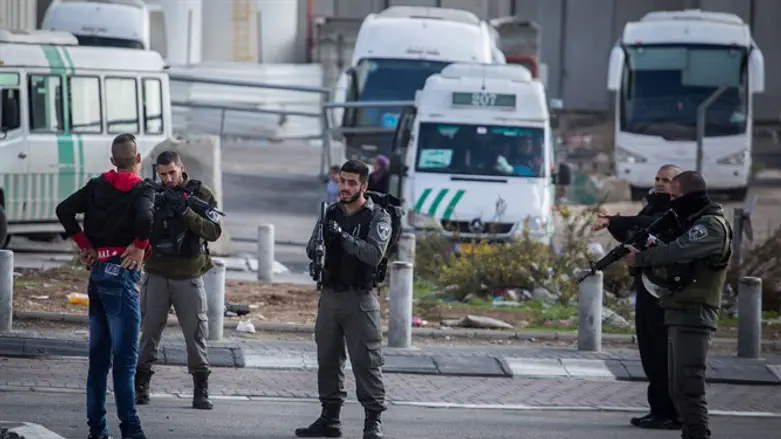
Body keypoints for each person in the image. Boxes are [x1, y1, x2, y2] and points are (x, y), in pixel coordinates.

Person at [56, 133, 153, 439]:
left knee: (98, 363)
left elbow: (63, 210)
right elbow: (146, 218)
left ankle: (97, 430)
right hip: (122, 276)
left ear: (113, 160)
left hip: (98, 275)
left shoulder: (97, 185)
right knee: (124, 364)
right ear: (138, 159)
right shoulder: (143, 189)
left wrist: (85, 245)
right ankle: (131, 431)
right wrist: (140, 246)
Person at [624, 171, 732, 439]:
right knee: (677, 388)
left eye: (675, 197)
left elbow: (678, 251)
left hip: (695, 314)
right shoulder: (691, 223)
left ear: (691, 196)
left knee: (689, 388)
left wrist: (642, 258)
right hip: (678, 311)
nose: (671, 203)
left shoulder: (711, 227)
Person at [296, 160, 392, 439]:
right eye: (342, 181)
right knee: (327, 359)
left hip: (360, 300)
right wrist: (319, 245)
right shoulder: (330, 213)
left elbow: (373, 254)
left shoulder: (377, 217)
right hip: (330, 296)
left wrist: (342, 236)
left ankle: (372, 421)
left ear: (364, 186)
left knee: (366, 361)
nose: (345, 187)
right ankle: (329, 418)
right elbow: (311, 247)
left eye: (352, 183)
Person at [592, 164, 682, 429]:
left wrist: (614, 220)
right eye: (657, 178)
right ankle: (658, 409)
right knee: (649, 353)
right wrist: (614, 226)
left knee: (663, 354)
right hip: (646, 285)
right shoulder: (652, 205)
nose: (660, 183)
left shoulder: (677, 211)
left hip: (665, 292)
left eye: (666, 179)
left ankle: (671, 412)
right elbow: (635, 233)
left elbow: (649, 225)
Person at [134, 150, 222, 410]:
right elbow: (136, 226)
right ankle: (141, 384)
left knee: (196, 334)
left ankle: (201, 387)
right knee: (149, 332)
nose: (168, 178)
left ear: (181, 168)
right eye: (162, 174)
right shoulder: (152, 192)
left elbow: (214, 231)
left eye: (172, 172)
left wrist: (186, 211)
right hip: (156, 272)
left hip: (188, 275)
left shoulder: (201, 194)